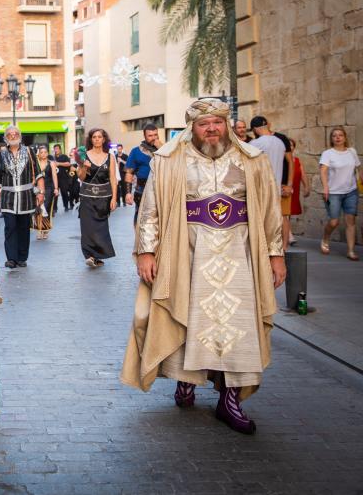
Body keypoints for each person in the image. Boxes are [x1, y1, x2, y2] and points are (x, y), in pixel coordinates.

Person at [121, 98, 285, 435]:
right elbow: (150, 209)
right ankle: (186, 378)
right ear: (191, 128)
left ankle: (230, 398)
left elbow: (270, 211)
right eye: (203, 124)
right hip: (188, 251)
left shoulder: (252, 160)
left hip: (241, 255)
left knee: (237, 325)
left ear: (227, 125)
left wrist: (275, 254)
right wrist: (146, 252)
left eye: (217, 122)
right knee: (185, 316)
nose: (211, 129)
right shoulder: (170, 160)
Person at [0, 126, 45, 268]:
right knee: (10, 227)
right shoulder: (2, 154)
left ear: (20, 136)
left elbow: (39, 173)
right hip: (8, 197)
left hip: (26, 197)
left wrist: (41, 192)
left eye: (15, 134)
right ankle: (11, 258)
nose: (13, 136)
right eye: (9, 134)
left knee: (23, 227)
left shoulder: (28, 151)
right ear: (6, 137)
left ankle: (22, 257)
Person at [250, 116, 293, 249]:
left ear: (255, 129)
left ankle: (264, 247)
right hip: (279, 185)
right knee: (282, 217)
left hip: (262, 187)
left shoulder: (254, 144)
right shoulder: (280, 142)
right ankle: (284, 247)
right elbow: (290, 162)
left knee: (262, 218)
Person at [319, 126, 360, 260]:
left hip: (351, 191)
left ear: (345, 137)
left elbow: (358, 168)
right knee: (334, 222)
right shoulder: (328, 153)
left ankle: (351, 251)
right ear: (331, 139)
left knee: (350, 221)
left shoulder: (352, 152)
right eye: (334, 135)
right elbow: (323, 171)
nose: (337, 137)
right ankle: (325, 238)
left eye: (340, 135)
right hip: (333, 192)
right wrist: (325, 188)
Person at [78, 129, 117, 267]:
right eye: (94, 137)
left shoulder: (110, 157)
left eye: (99, 137)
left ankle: (98, 256)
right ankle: (89, 255)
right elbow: (81, 177)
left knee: (101, 228)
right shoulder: (84, 156)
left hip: (104, 197)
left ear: (104, 139)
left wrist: (114, 198)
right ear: (91, 139)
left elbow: (113, 178)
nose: (97, 139)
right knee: (87, 227)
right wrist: (84, 167)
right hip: (87, 197)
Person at [125, 124, 162, 223]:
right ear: (144, 136)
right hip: (142, 189)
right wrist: (128, 193)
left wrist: (162, 149)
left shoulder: (164, 150)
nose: (154, 138)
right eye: (150, 135)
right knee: (141, 218)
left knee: (160, 219)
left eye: (155, 135)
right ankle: (138, 238)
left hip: (161, 190)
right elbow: (129, 173)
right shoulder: (136, 151)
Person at [288, 138, 309, 245]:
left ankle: (286, 232)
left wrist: (306, 187)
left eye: (292, 145)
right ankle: (289, 235)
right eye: (288, 145)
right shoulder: (282, 160)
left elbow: (303, 174)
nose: (290, 147)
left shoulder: (297, 160)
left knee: (289, 212)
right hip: (285, 189)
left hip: (295, 190)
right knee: (285, 213)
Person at [36, 146, 59, 240]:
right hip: (37, 189)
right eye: (41, 152)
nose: (44, 154)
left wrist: (56, 188)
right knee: (38, 209)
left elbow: (54, 176)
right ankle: (39, 230)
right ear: (39, 154)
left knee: (46, 208)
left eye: (45, 152)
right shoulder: (36, 163)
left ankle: (45, 230)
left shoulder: (51, 163)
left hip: (49, 188)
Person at [53, 144, 73, 211]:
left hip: (63, 178)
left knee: (64, 192)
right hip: (55, 178)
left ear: (60, 149)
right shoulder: (53, 158)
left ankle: (66, 206)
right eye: (55, 149)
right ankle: (55, 208)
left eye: (57, 149)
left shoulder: (64, 156)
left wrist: (59, 164)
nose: (56, 150)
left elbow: (68, 164)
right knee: (55, 194)